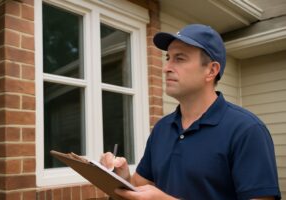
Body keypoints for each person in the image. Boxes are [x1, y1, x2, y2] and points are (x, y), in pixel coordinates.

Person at [100, 24, 281, 200]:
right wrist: (122, 179)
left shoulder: (247, 130)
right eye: (168, 58)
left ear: (211, 70)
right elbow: (140, 185)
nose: (166, 68)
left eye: (179, 58)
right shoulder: (162, 128)